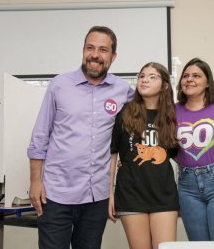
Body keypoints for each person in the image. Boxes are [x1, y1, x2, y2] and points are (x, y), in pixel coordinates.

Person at [27, 26, 134, 249]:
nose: (95, 55)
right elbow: (40, 136)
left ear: (113, 57)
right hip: (56, 195)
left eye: (103, 49)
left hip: (96, 196)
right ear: (83, 50)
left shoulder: (124, 90)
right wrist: (35, 180)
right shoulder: (59, 85)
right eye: (90, 48)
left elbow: (147, 116)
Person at [108, 62, 179, 249]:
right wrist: (110, 194)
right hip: (130, 194)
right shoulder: (125, 113)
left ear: (164, 85)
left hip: (164, 196)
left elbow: (178, 154)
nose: (144, 80)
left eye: (152, 76)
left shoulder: (172, 116)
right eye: (141, 76)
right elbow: (113, 154)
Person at [175, 57, 214, 241]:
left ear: (208, 82)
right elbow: (169, 145)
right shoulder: (172, 110)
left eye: (196, 75)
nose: (189, 79)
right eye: (185, 76)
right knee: (198, 245)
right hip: (187, 186)